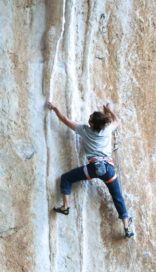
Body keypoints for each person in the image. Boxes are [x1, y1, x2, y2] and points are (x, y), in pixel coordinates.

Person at [45, 101, 134, 238]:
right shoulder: (107, 129)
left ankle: (65, 207)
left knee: (66, 178)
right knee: (117, 197)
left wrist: (55, 108)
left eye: (90, 117)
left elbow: (65, 120)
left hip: (93, 168)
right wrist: (109, 110)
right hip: (108, 169)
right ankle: (127, 228)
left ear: (92, 124)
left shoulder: (84, 130)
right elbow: (118, 121)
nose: (89, 117)